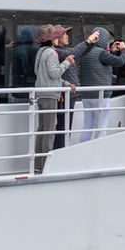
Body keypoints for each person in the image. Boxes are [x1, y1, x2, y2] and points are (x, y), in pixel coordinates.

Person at [70, 27, 125, 143]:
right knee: (101, 126)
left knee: (87, 125)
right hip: (101, 95)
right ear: (104, 39)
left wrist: (110, 51)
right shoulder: (101, 53)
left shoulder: (85, 52)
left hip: (87, 95)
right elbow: (120, 61)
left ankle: (83, 149)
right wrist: (124, 50)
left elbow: (97, 68)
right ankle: (98, 152)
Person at [33, 25, 76, 172]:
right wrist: (67, 62)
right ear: (52, 39)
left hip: (41, 94)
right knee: (49, 130)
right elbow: (54, 73)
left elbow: (43, 74)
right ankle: (46, 165)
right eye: (57, 36)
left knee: (42, 129)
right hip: (51, 95)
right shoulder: (51, 53)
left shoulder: (40, 52)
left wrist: (66, 83)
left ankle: (38, 164)